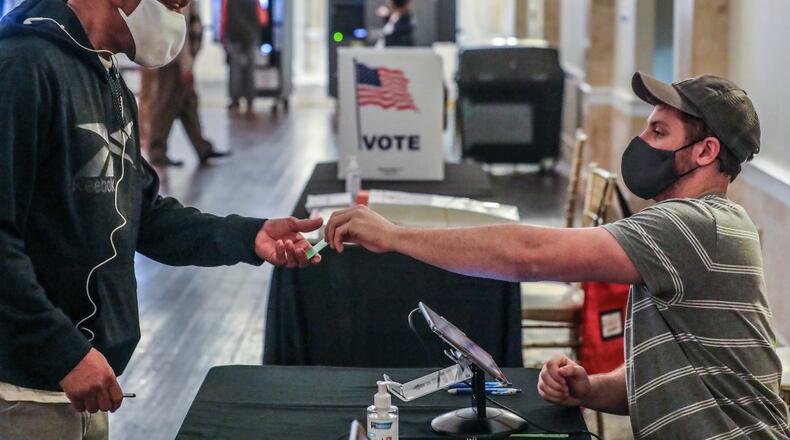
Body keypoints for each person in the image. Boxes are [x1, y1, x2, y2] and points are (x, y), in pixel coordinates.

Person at [325, 72, 790, 439]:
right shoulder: (699, 224)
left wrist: (396, 236)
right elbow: (674, 370)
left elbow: (527, 255)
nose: (642, 141)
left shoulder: (694, 225)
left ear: (705, 151)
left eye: (659, 131)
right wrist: (591, 389)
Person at [0, 1, 321, 439]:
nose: (178, 14)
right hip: (23, 391)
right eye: (173, 2)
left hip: (85, 380)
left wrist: (249, 236)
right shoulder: (23, 66)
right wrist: (63, 354)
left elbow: (143, 213)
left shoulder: (107, 77)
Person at [144, 0, 230, 167]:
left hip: (176, 60)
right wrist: (186, 65)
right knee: (166, 105)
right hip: (174, 63)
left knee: (188, 104)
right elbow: (179, 30)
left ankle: (201, 148)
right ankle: (157, 151)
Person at [220, 0, 264, 118]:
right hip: (250, 39)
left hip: (234, 38)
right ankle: (250, 104)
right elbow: (262, 18)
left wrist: (223, 39)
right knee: (250, 73)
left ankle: (235, 105)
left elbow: (224, 19)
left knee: (235, 72)